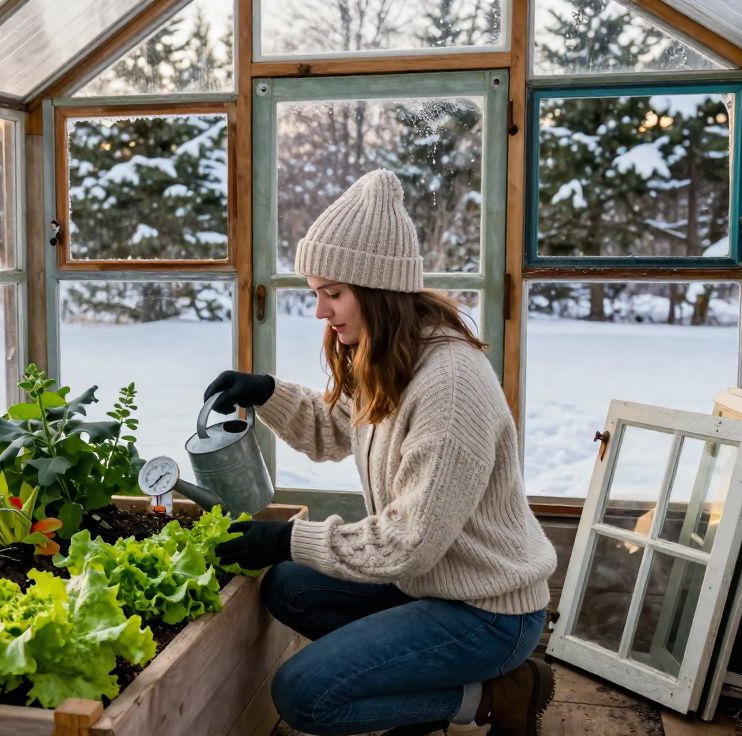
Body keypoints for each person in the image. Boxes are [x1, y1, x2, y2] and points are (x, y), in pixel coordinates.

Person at [205, 169, 557, 736]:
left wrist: (286, 536)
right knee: (288, 586)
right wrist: (267, 393)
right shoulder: (391, 356)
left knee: (303, 695)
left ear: (379, 290)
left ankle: (493, 694)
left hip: (486, 612)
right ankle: (412, 684)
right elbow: (331, 431)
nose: (321, 311)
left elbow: (407, 543)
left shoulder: (450, 388)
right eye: (317, 293)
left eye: (333, 293)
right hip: (428, 585)